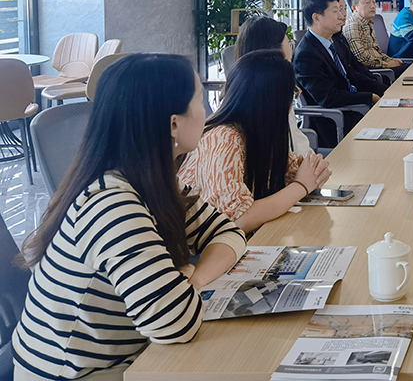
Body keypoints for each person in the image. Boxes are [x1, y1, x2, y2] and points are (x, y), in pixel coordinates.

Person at [13, 54, 246, 381]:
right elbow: (175, 322)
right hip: (76, 374)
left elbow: (228, 232)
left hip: (123, 357)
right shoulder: (111, 203)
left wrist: (192, 279)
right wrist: (179, 288)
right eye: (199, 99)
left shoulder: (152, 180)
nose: (207, 110)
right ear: (174, 124)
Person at [178, 50, 332, 233]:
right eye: (292, 93)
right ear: (273, 102)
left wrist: (311, 174)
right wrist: (301, 186)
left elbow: (287, 176)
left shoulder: (259, 134)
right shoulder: (223, 138)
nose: (292, 103)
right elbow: (237, 220)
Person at [294, 0, 383, 146]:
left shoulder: (334, 41)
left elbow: (355, 75)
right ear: (316, 18)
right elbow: (328, 98)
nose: (342, 16)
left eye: (341, 10)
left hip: (356, 108)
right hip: (336, 121)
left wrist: (387, 91)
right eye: (335, 11)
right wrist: (370, 97)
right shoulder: (306, 54)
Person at [233, 16, 312, 157]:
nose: (292, 49)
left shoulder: (273, 89)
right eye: (289, 43)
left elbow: (296, 140)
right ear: (273, 51)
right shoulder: (261, 103)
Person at [343, 0, 407, 77]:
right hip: (371, 72)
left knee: (411, 67)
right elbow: (360, 58)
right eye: (367, 3)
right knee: (410, 70)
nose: (373, 6)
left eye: (373, 2)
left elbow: (376, 52)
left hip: (379, 66)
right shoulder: (353, 25)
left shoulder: (368, 22)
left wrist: (390, 60)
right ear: (354, 8)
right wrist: (386, 64)